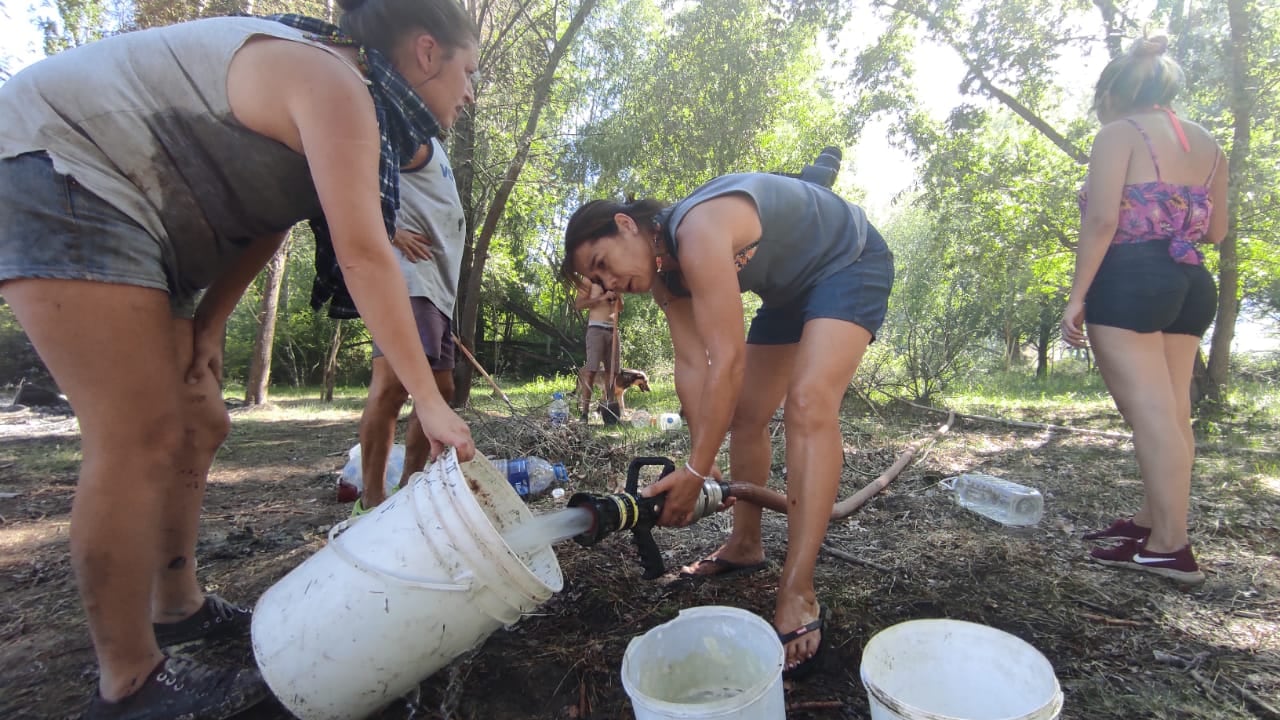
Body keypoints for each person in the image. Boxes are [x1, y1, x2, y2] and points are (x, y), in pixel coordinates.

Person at [0, 1, 479, 717]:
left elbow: (269, 215)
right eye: (469, 70)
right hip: (62, 165)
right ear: (425, 53)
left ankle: (178, 605)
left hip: (142, 209)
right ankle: (127, 682)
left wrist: (208, 324)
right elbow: (365, 255)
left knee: (200, 417)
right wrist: (431, 400)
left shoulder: (365, 109)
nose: (470, 92)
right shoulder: (336, 85)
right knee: (141, 433)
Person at [561, 172, 894, 676]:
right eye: (599, 280)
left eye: (602, 263)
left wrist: (694, 474)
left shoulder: (695, 231)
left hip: (849, 261)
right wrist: (703, 457)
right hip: (789, 294)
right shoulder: (665, 277)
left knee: (808, 403)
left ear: (627, 224)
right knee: (745, 415)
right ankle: (745, 544)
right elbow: (694, 364)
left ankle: (798, 588)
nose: (608, 284)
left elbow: (728, 358)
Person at [1063, 36, 1226, 586]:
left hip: (1132, 278)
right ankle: (1155, 519)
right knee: (1172, 410)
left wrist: (1078, 294)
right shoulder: (1207, 143)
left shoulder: (1118, 135)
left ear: (1111, 91)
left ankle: (1170, 547)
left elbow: (1103, 220)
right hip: (1191, 278)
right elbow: (1219, 230)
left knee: (1150, 415)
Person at [352, 136, 468, 516]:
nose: (468, 92)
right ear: (427, 71)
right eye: (465, 74)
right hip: (410, 280)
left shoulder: (433, 143)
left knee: (441, 386)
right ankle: (370, 503)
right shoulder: (404, 134)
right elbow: (348, 171)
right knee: (392, 386)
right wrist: (388, 230)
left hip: (437, 289)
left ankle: (409, 488)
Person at [573, 281, 621, 420]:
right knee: (591, 370)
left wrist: (617, 297)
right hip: (596, 329)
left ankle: (609, 413)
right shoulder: (589, 278)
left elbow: (620, 307)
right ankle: (584, 413)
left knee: (612, 373)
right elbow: (579, 304)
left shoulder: (616, 280)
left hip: (613, 330)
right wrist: (602, 297)